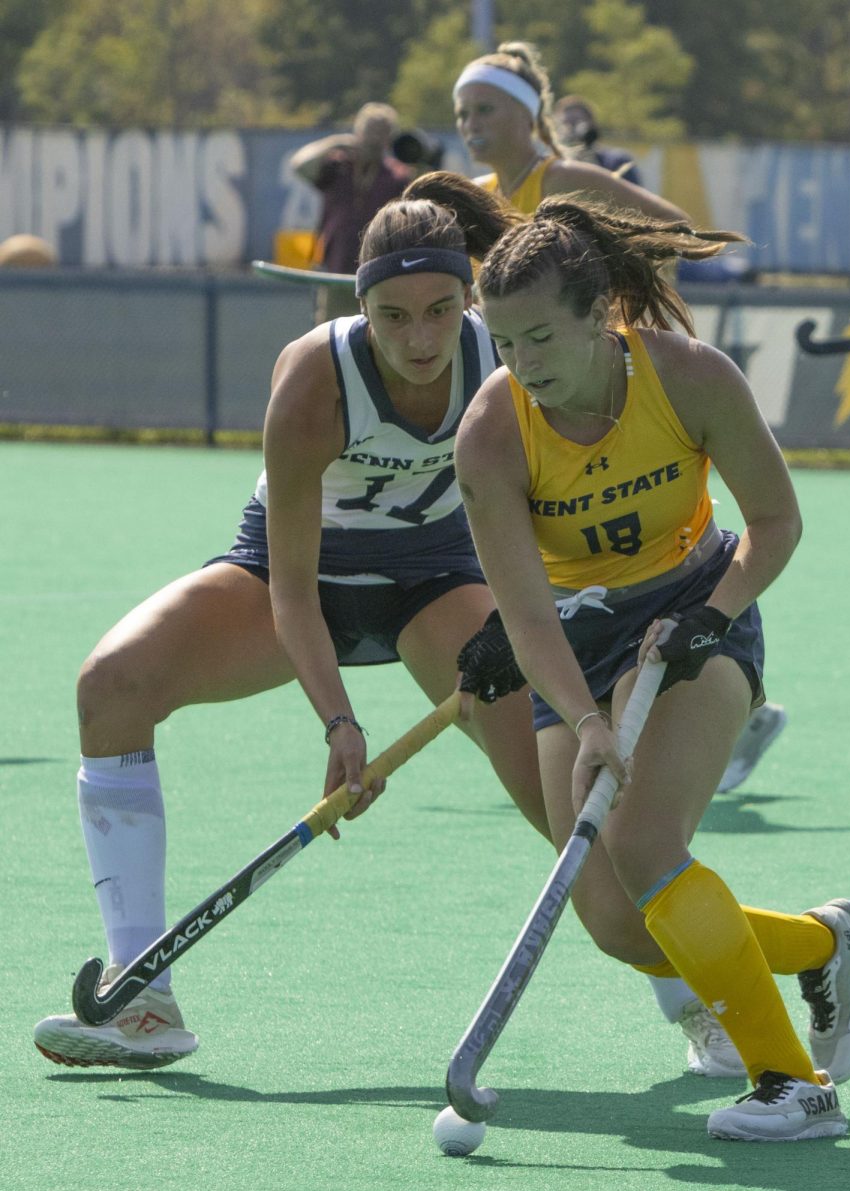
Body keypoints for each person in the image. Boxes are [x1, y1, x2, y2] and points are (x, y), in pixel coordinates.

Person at [32, 174, 553, 1071]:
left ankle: (699, 992)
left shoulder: (502, 363)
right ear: (360, 310)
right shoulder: (315, 376)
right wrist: (340, 723)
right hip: (285, 578)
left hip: (434, 583)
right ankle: (140, 994)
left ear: (470, 298)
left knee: (559, 796)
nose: (420, 339)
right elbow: (294, 587)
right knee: (110, 686)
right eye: (393, 316)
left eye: (439, 310)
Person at [452, 192, 850, 1140]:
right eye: (503, 345)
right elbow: (522, 612)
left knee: (643, 848)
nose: (522, 368)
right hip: (576, 646)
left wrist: (710, 617)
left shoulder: (687, 378)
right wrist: (586, 719)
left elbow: (775, 523)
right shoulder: (488, 436)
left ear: (601, 317)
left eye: (541, 342)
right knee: (615, 922)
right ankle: (818, 944)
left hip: (695, 615)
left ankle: (793, 1087)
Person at [452, 42, 687, 222]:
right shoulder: (478, 195)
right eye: (463, 114)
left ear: (526, 113)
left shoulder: (564, 180)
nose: (471, 123)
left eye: (485, 109)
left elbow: (677, 224)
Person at [290, 102, 412, 319]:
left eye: (381, 133)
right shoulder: (338, 166)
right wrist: (336, 142)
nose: (374, 140)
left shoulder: (396, 176)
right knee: (329, 339)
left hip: (379, 276)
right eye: (370, 131)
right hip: (336, 271)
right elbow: (299, 165)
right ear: (358, 132)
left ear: (389, 138)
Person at [552, 94, 643, 185]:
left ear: (591, 123)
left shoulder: (616, 161)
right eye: (566, 123)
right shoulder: (553, 165)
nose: (571, 129)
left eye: (577, 122)